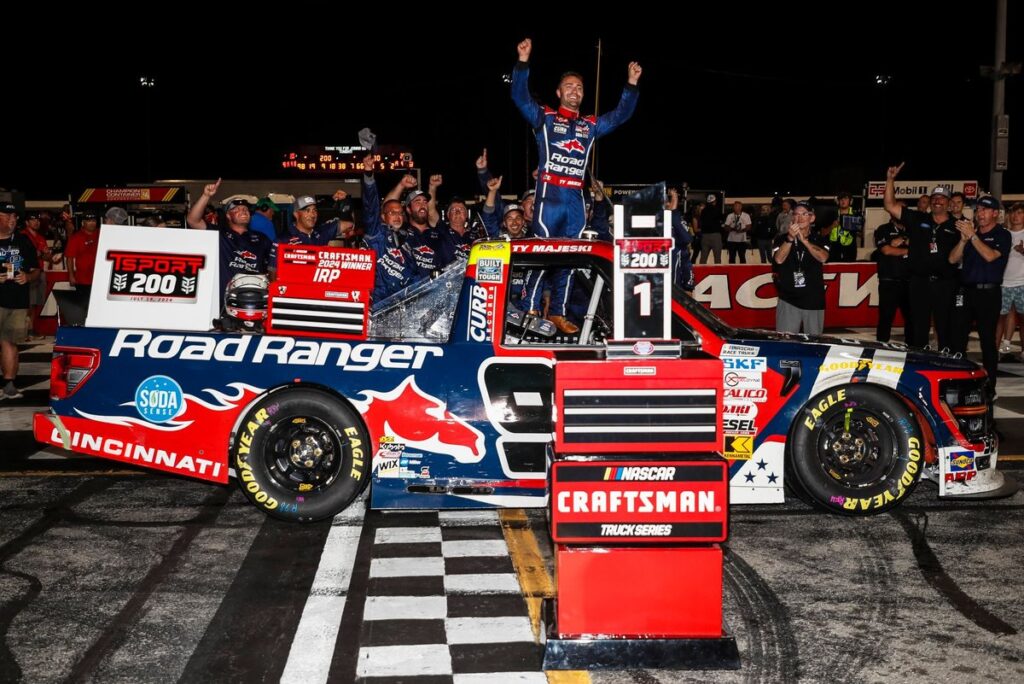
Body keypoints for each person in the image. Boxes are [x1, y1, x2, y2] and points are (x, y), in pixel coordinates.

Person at [512, 37, 640, 237]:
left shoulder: (590, 125)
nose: (575, 91)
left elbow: (619, 116)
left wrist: (631, 84)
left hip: (576, 201)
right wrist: (522, 61)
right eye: (569, 86)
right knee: (546, 252)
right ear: (558, 92)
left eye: (579, 88)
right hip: (550, 198)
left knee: (574, 253)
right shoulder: (545, 117)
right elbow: (520, 97)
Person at [883, 164, 958, 349]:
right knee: (918, 328)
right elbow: (890, 205)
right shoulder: (918, 218)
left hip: (945, 283)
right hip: (919, 282)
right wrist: (890, 180)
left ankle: (945, 361)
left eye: (942, 198)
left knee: (945, 327)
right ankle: (919, 361)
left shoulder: (958, 226)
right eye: (934, 198)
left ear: (949, 203)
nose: (937, 201)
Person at [949, 196, 1009, 394]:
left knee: (987, 341)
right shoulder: (969, 234)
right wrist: (963, 240)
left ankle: (989, 387)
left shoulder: (1002, 234)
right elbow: (952, 259)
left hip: (989, 293)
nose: (980, 214)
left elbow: (990, 256)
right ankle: (958, 383)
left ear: (995, 213)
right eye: (978, 210)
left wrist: (973, 236)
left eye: (985, 210)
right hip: (966, 291)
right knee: (958, 338)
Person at [186, 179, 276, 297]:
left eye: (245, 209)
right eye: (237, 210)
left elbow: (275, 263)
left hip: (254, 297)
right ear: (228, 215)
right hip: (224, 296)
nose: (243, 212)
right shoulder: (219, 234)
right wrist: (206, 196)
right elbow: (193, 220)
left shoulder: (261, 238)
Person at [0, 202, 41, 400]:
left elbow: (36, 270)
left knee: (10, 342)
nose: (12, 220)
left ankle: (9, 384)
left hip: (16, 301)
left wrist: (28, 277)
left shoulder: (23, 241)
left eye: (14, 216)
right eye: (7, 216)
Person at [772, 201, 829, 335]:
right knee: (786, 341)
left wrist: (805, 242)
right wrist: (790, 238)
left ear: (812, 218)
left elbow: (823, 257)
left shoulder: (819, 238)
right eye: (796, 214)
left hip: (814, 299)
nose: (800, 217)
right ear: (792, 217)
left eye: (804, 214)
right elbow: (778, 259)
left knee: (814, 342)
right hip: (788, 299)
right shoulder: (781, 239)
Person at [873, 208, 911, 343]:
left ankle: (912, 348)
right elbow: (887, 250)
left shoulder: (912, 229)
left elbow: (922, 249)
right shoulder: (883, 229)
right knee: (886, 317)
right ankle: (881, 347)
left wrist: (903, 240)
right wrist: (909, 250)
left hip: (909, 281)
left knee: (912, 318)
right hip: (889, 280)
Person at [997, 202, 1024, 356]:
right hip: (1003, 282)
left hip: (1022, 282)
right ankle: (998, 349)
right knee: (1000, 317)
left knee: (1023, 318)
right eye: (1013, 212)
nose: (1015, 216)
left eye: (1020, 213)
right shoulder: (1003, 233)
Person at [65, 212, 101, 298]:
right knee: (84, 303)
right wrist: (71, 276)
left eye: (94, 221)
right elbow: (69, 258)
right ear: (83, 222)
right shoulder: (75, 238)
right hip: (83, 280)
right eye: (89, 221)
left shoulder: (102, 233)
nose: (92, 223)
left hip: (100, 278)